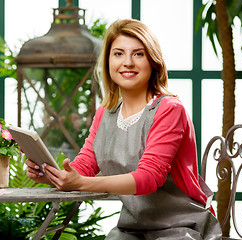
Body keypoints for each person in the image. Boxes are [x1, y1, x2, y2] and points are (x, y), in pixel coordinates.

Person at [26, 19, 222, 239]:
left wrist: (82, 184)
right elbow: (86, 164)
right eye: (118, 53)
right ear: (108, 61)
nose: (128, 62)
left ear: (153, 61)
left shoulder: (169, 110)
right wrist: (54, 176)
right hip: (133, 228)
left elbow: (149, 178)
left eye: (138, 54)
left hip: (183, 227)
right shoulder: (105, 113)